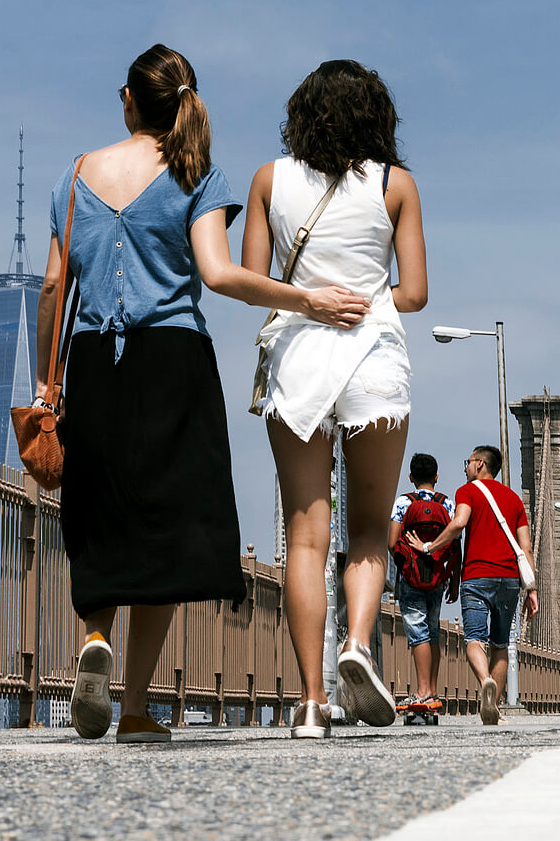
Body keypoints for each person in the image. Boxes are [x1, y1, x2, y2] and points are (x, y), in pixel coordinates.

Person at [44, 45, 369, 744]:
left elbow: (52, 286)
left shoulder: (78, 175)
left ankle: (93, 636)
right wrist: (306, 298)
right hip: (174, 360)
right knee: (163, 524)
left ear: (128, 99)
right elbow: (219, 275)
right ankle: (132, 706)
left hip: (95, 359)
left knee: (99, 512)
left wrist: (47, 382)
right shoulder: (195, 171)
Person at [245, 60, 429, 739]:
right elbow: (414, 294)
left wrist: (310, 300)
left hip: (298, 358)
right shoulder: (394, 185)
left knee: (304, 536)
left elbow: (252, 280)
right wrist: (363, 296)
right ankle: (357, 641)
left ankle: (312, 702)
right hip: (373, 358)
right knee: (369, 529)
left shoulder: (270, 180)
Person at [409, 444, 538, 725]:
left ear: (479, 464)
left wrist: (429, 547)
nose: (465, 468)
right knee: (501, 644)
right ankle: (496, 710)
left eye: (467, 462)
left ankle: (485, 681)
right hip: (509, 580)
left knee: (474, 640)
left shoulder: (466, 491)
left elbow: (458, 523)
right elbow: (526, 547)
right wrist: (532, 589)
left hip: (477, 576)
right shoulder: (515, 499)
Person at [390, 452, 458, 717]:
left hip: (411, 576)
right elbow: (454, 541)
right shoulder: (447, 503)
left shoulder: (403, 502)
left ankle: (422, 692)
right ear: (437, 477)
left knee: (417, 631)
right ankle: (432, 691)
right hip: (439, 575)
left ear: (410, 477)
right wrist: (453, 579)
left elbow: (392, 540)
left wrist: (406, 562)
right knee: (432, 631)